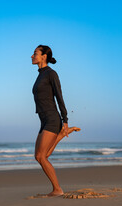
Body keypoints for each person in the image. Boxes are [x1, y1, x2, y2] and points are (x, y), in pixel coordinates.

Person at [31, 45, 80, 197]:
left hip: (52, 118)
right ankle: (60, 135)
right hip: (43, 119)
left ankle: (57, 189)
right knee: (40, 156)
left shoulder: (51, 74)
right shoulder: (40, 75)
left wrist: (65, 120)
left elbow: (59, 97)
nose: (32, 56)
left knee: (40, 156)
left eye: (35, 53)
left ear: (44, 56)